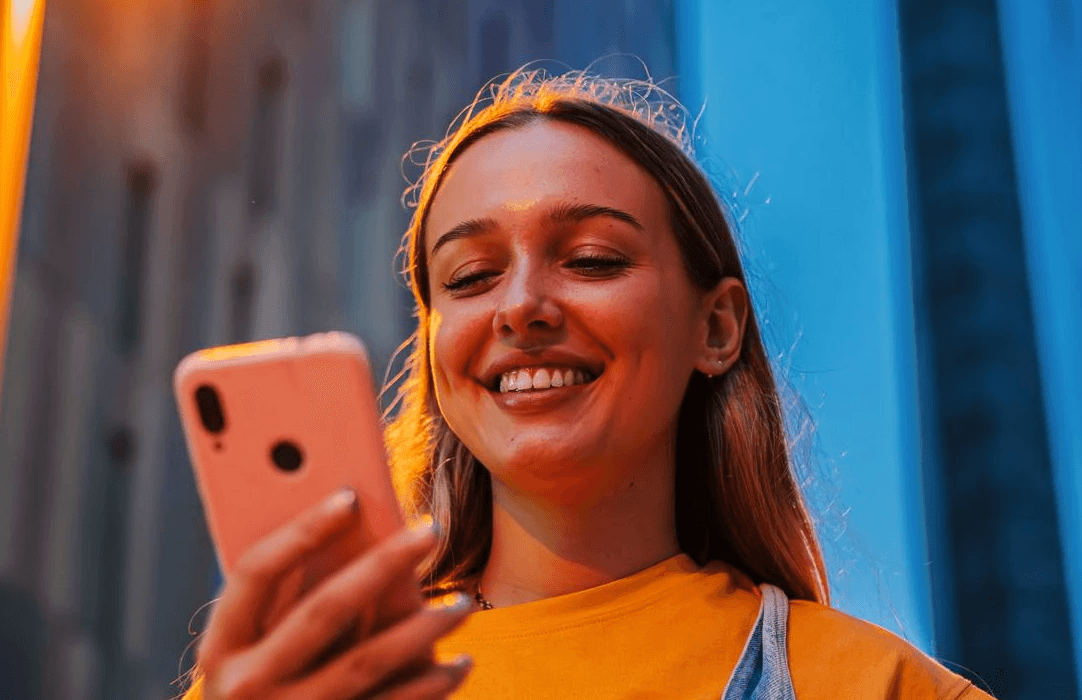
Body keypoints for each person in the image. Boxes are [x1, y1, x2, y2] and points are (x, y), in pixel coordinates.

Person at [180, 69, 996, 700]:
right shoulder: (293, 682)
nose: (521, 306)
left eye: (593, 260)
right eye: (469, 277)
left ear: (716, 329)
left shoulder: (880, 686)